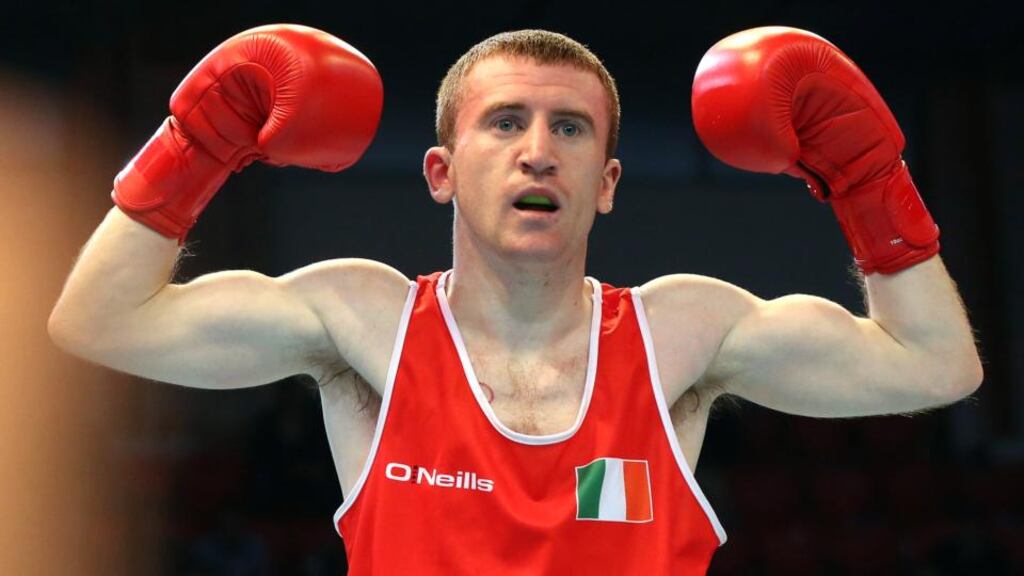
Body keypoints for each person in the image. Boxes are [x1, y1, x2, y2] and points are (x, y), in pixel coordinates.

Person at [48, 24, 983, 574]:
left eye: (569, 128)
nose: (539, 149)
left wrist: (869, 180)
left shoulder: (684, 331)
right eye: (506, 122)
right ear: (441, 173)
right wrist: (197, 144)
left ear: (608, 180)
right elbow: (98, 321)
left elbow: (935, 365)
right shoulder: (362, 319)